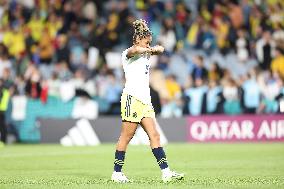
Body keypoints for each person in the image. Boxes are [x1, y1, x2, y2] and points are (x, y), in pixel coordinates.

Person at [111, 19, 184, 183]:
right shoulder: (128, 53)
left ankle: (166, 172)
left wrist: (151, 47)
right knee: (126, 136)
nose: (148, 45)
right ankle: (116, 173)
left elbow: (161, 49)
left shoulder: (146, 53)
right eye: (145, 42)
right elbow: (135, 50)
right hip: (132, 99)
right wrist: (145, 47)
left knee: (155, 135)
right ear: (137, 40)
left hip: (145, 101)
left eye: (149, 42)